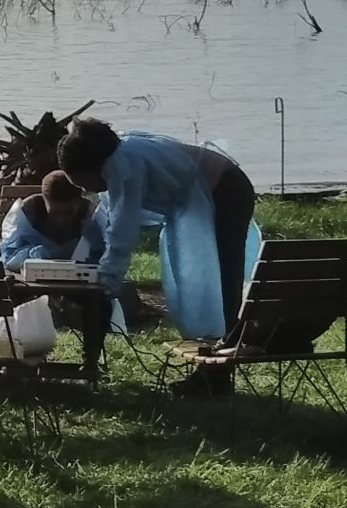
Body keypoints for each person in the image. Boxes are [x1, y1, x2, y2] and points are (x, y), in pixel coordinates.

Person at [58, 116, 258, 346]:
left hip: (225, 189)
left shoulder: (124, 165)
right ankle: (216, 350)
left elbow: (123, 227)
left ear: (93, 167)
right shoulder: (119, 155)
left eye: (82, 184)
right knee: (204, 279)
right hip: (209, 190)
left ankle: (229, 345)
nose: (85, 190)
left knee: (222, 277)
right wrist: (84, 254)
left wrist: (107, 283)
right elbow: (106, 216)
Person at [0, 170, 105, 272]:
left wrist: (97, 246)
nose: (61, 219)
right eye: (54, 213)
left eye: (67, 213)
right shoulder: (28, 212)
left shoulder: (91, 214)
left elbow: (108, 259)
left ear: (79, 203)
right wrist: (27, 254)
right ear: (45, 202)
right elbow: (6, 258)